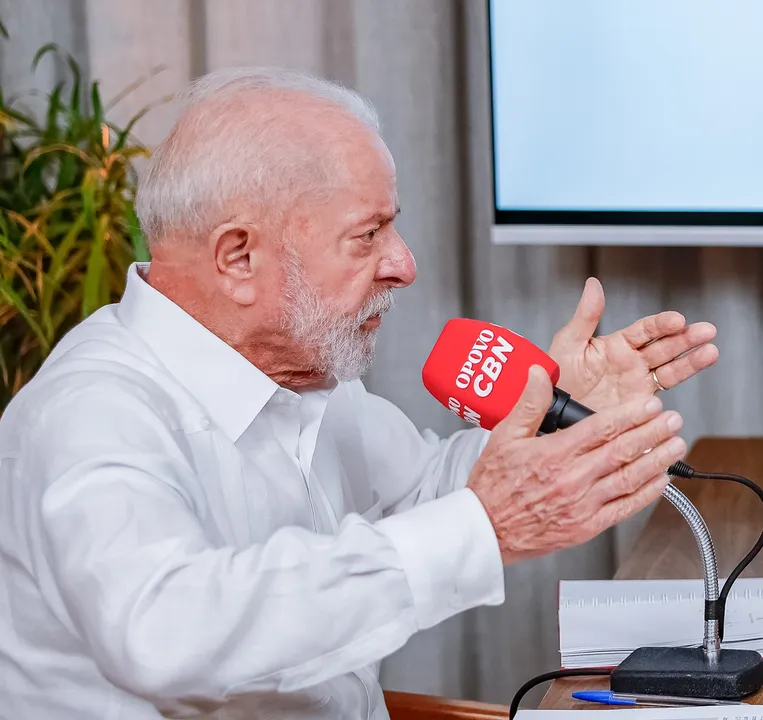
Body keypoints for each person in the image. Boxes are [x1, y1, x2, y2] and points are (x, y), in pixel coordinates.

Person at [0, 67, 719, 719]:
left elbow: (429, 492)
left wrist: (556, 413)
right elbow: (163, 632)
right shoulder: (89, 413)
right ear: (238, 257)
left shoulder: (300, 375)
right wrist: (486, 529)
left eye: (392, 226)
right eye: (367, 234)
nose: (403, 265)